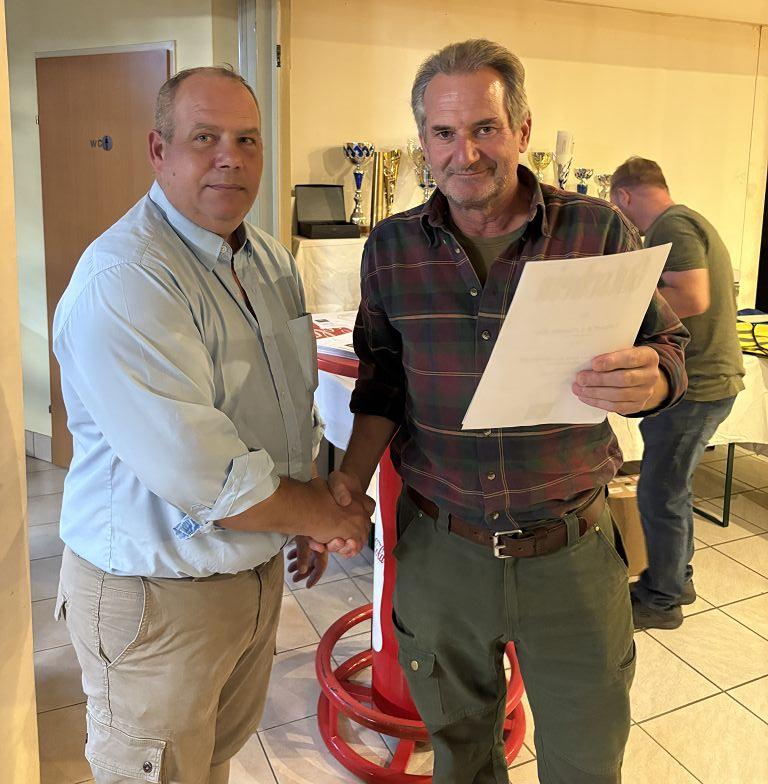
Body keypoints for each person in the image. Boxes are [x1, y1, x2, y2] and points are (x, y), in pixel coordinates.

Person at [320, 40, 688, 784]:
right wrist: (346, 486)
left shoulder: (596, 231)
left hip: (570, 552)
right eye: (444, 133)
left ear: (521, 130)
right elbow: (382, 383)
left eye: (485, 128)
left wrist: (654, 380)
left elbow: (668, 346)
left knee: (586, 762)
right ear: (423, 141)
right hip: (442, 552)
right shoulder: (392, 248)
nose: (465, 153)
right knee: (461, 759)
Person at [53, 66, 372, 784]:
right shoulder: (127, 278)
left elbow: (286, 404)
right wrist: (320, 513)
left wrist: (305, 510)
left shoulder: (268, 260)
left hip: (248, 577)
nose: (231, 157)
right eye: (205, 138)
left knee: (212, 763)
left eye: (247, 139)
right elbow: (207, 474)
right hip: (155, 598)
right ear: (158, 150)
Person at [610, 157, 744, 630]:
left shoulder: (672, 225)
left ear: (623, 196)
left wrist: (621, 312)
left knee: (659, 492)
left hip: (697, 385)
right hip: (707, 381)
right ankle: (676, 579)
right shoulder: (687, 220)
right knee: (673, 487)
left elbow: (693, 296)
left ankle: (662, 599)